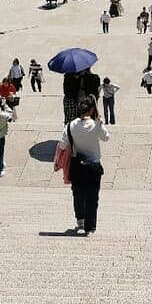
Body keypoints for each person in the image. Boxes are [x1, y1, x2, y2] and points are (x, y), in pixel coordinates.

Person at [60, 97, 110, 236]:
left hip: (77, 166)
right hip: (93, 166)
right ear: (92, 109)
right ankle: (90, 227)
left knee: (78, 194)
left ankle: (80, 220)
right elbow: (106, 137)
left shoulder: (70, 125)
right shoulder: (96, 124)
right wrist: (99, 122)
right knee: (92, 197)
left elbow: (62, 144)